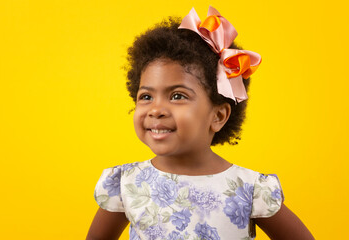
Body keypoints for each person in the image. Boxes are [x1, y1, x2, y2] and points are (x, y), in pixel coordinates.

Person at [86, 6, 314, 240]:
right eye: (146, 96)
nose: (156, 109)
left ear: (218, 116)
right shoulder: (125, 184)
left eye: (177, 96)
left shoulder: (250, 188)